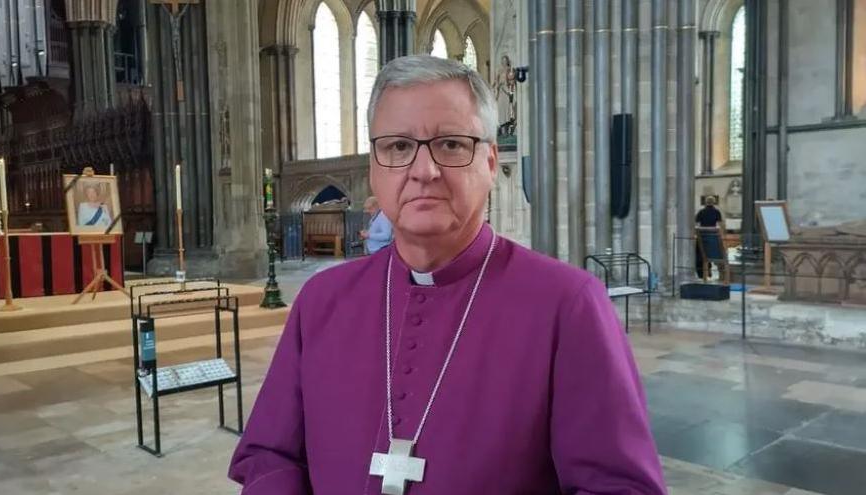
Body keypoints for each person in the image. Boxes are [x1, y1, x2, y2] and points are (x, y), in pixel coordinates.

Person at [229, 55, 666, 495]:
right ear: (374, 170)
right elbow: (269, 455)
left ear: (491, 163)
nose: (424, 170)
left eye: (452, 144)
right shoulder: (322, 299)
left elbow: (620, 487)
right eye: (398, 146)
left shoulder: (568, 305)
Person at [695, 196, 723, 279]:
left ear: (705, 202)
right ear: (713, 202)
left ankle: (701, 274)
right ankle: (714, 272)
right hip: (712, 237)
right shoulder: (717, 212)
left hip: (702, 236)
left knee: (700, 255)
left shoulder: (701, 212)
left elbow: (697, 224)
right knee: (714, 253)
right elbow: (720, 225)